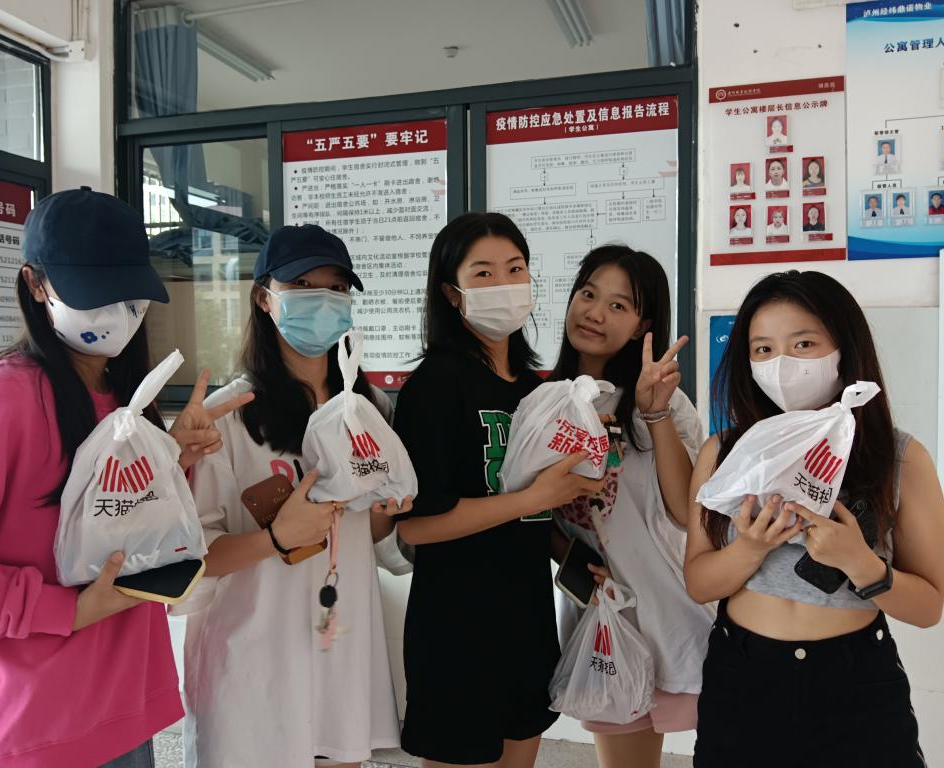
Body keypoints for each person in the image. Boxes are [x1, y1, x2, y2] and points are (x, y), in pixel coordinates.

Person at [0, 187, 248, 768]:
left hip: (125, 711)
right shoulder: (1, 404)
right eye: (91, 288)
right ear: (35, 284)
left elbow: (119, 526)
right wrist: (68, 610)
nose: (113, 309)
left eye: (127, 292)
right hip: (32, 728)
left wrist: (171, 460)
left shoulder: (126, 400)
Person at [685, 270, 944, 768]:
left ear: (845, 348)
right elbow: (698, 583)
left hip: (856, 683)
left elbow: (928, 606)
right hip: (743, 677)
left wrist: (860, 563)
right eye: (763, 350)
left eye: (803, 344)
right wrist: (750, 548)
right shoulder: (724, 453)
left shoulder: (899, 459)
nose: (782, 364)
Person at [176, 224, 412, 768]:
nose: (322, 301)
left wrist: (386, 512)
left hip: (341, 648)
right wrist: (276, 539)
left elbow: (376, 541)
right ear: (264, 298)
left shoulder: (368, 410)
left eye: (336, 288)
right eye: (302, 285)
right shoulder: (228, 416)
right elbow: (195, 560)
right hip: (255, 660)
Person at [392, 212, 604, 768]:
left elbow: (535, 516)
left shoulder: (537, 391)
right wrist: (535, 499)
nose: (504, 283)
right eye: (483, 273)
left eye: (515, 268)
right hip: (458, 631)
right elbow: (416, 527)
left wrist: (575, 556)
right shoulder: (433, 386)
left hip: (528, 621)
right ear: (452, 292)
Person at [550, 246, 714, 768]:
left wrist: (654, 413)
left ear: (643, 325)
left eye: (618, 305)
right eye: (588, 294)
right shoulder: (546, 402)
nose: (594, 313)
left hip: (671, 617)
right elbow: (538, 512)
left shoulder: (662, 400)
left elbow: (687, 511)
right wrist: (572, 561)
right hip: (605, 622)